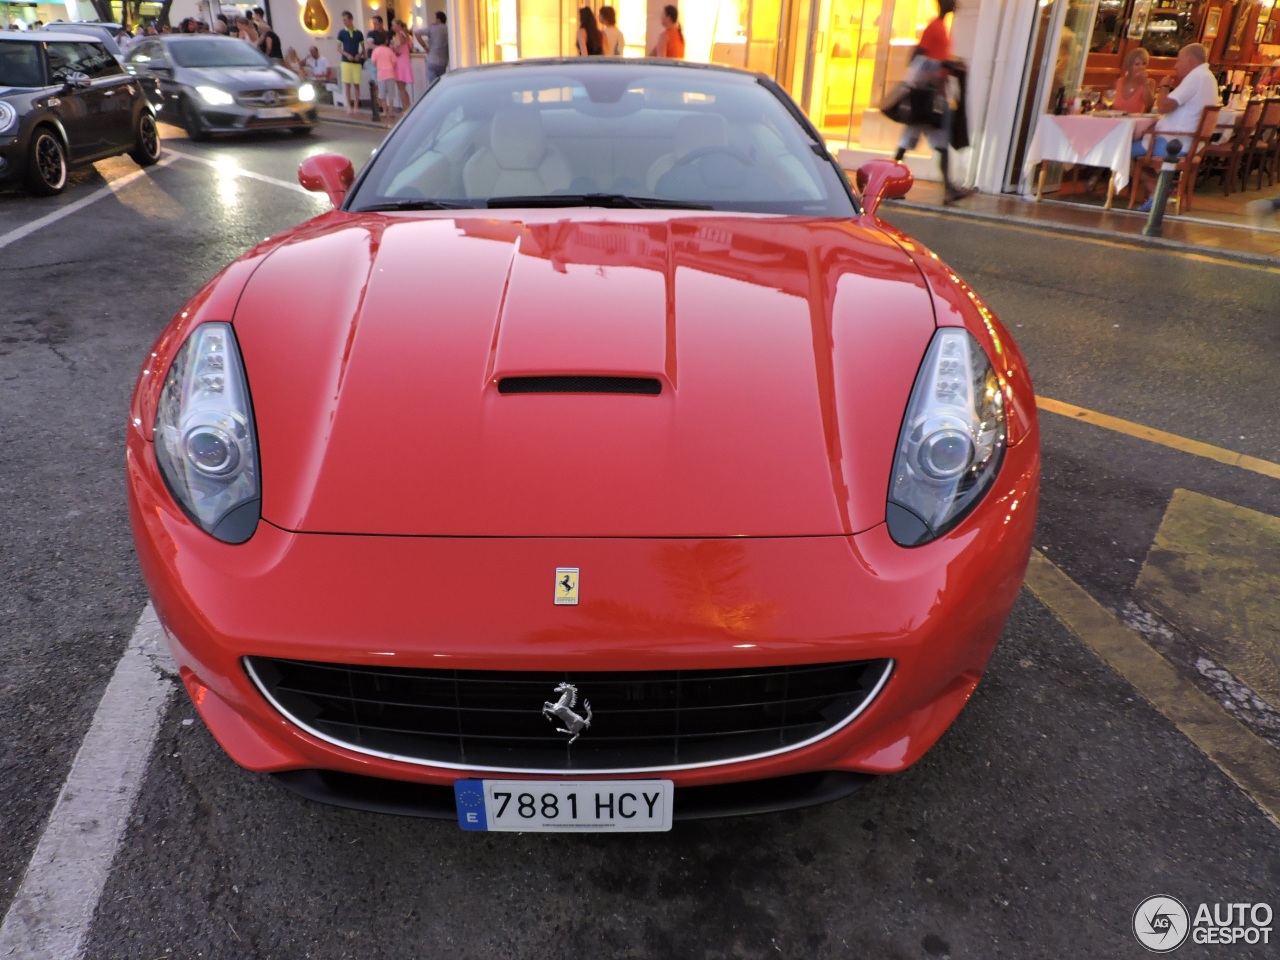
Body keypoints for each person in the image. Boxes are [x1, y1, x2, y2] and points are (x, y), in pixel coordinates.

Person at [891, 0, 970, 205]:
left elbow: (934, 57)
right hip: (925, 98)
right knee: (907, 143)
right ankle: (888, 182)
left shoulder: (943, 27)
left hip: (935, 97)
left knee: (937, 144)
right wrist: (943, 65)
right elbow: (917, 57)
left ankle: (949, 189)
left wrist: (950, 63)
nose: (956, 3)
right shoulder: (934, 27)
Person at [1130, 42, 1220, 210]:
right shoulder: (1208, 77)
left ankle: (1156, 190)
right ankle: (1158, 189)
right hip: (1188, 141)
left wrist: (1164, 86)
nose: (1175, 65)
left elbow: (1164, 106)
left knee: (1123, 150)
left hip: (1174, 143)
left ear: (1191, 62)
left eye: (1179, 61)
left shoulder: (1196, 78)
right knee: (1131, 146)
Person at [337, 11, 365, 115]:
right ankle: (349, 106)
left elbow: (363, 49)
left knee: (356, 84)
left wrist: (359, 55)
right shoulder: (341, 33)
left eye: (345, 20)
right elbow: (338, 48)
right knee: (347, 84)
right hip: (346, 62)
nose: (344, 22)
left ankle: (356, 106)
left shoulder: (359, 33)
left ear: (350, 19)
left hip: (356, 62)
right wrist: (346, 54)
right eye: (343, 20)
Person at [1111, 47, 1155, 114]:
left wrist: (1144, 83)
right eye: (1137, 64)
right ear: (1129, 66)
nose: (1141, 67)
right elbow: (1108, 106)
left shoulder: (1150, 83)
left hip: (1135, 122)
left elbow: (1149, 105)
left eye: (1144, 64)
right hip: (1116, 121)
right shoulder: (1117, 82)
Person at [369, 32, 397, 124]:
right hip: (390, 73)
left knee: (382, 93)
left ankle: (385, 111)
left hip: (381, 74)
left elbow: (373, 63)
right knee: (391, 93)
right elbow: (394, 62)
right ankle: (391, 111)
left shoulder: (376, 51)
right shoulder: (389, 50)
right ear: (386, 40)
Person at [416, 12, 449, 87]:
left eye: (435, 18)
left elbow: (417, 33)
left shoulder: (432, 28)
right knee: (441, 84)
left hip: (432, 60)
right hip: (443, 62)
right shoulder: (447, 29)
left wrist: (425, 46)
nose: (434, 20)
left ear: (438, 20)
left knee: (433, 86)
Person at [391, 19, 414, 112]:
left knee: (401, 88)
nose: (392, 27)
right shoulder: (405, 34)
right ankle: (407, 107)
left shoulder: (400, 34)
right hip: (404, 61)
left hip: (401, 62)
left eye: (393, 25)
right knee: (402, 88)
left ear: (398, 26)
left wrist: (393, 47)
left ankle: (406, 109)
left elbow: (399, 49)